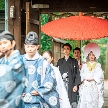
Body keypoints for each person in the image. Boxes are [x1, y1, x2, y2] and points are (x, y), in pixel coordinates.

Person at [22, 31, 60, 108]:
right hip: (22, 99)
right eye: (28, 46)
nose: (30, 49)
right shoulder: (19, 60)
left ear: (37, 46)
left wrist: (40, 91)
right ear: (24, 46)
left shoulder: (43, 62)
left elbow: (50, 79)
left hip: (37, 99)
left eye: (32, 47)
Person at [0, 31, 25, 108]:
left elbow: (8, 73)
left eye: (5, 42)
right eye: (0, 44)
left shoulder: (18, 60)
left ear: (13, 43)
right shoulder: (2, 61)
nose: (2, 46)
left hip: (14, 102)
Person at [77, 42, 104, 108]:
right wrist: (84, 79)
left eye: (93, 55)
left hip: (93, 85)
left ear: (95, 56)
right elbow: (82, 74)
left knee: (93, 101)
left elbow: (100, 75)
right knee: (85, 101)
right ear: (88, 56)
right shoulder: (85, 65)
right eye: (90, 55)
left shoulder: (98, 65)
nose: (91, 56)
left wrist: (92, 78)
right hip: (86, 85)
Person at [57, 43, 81, 108]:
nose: (66, 50)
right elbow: (57, 74)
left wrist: (76, 85)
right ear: (63, 50)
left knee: (72, 102)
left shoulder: (74, 61)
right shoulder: (60, 61)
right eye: (64, 49)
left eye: (67, 49)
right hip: (62, 85)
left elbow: (77, 74)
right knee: (62, 101)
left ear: (70, 50)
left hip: (71, 85)